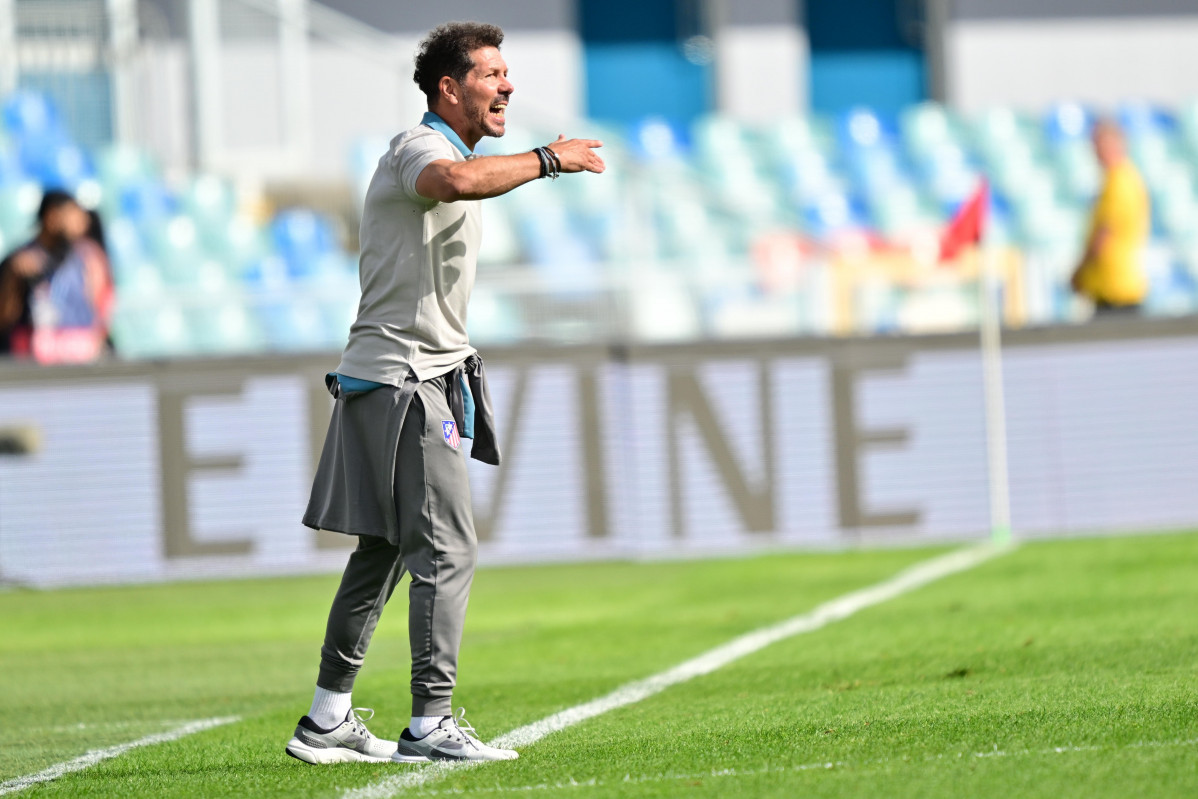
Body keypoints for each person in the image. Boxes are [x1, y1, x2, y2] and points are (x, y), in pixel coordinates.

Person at [284, 21, 604, 766]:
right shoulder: (418, 149)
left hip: (391, 376)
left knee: (386, 550)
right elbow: (452, 182)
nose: (508, 85)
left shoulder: (457, 154)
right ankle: (431, 719)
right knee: (448, 546)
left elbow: (470, 179)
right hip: (404, 380)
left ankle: (328, 714)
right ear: (448, 88)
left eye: (507, 72)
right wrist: (551, 159)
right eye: (492, 73)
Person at [0, 189, 112, 362]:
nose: (82, 221)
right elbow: (5, 318)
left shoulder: (87, 259)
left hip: (79, 357)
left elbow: (97, 312)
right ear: (52, 217)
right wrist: (13, 279)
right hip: (30, 363)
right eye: (73, 214)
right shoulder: (18, 261)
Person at [1070, 120, 1150, 316]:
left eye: (1099, 143)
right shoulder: (1121, 178)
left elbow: (1104, 234)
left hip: (1116, 290)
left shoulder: (1118, 181)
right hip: (1112, 287)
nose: (1094, 150)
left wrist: (1080, 272)